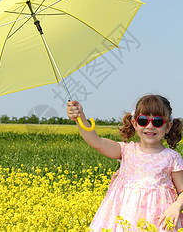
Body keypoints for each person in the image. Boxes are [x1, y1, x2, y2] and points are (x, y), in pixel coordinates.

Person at [67, 94, 183, 231]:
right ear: (135, 123)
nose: (150, 126)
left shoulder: (172, 158)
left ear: (168, 126)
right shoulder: (126, 150)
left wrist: (176, 206)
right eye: (143, 121)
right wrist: (80, 118)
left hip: (157, 221)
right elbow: (96, 142)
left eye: (157, 121)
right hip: (123, 218)